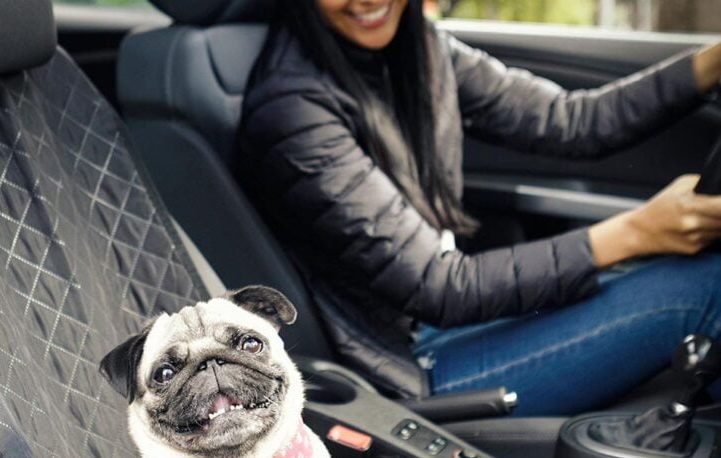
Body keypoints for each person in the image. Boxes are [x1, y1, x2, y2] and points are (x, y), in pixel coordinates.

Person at [237, 1, 721, 414]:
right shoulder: (293, 110)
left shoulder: (419, 48)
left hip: (443, 324)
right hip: (411, 367)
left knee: (695, 266)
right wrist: (637, 232)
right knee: (708, 286)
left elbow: (570, 121)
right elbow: (441, 285)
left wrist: (712, 61)